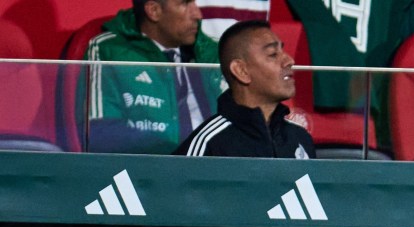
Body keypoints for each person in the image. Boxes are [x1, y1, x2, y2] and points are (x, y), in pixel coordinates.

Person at [83, 0, 223, 154]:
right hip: (150, 169)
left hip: (220, 166)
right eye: (184, 4)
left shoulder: (216, 51)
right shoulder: (109, 50)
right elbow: (102, 131)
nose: (197, 14)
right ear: (154, 10)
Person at [175, 19, 314, 158]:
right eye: (273, 54)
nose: (289, 61)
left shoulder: (301, 138)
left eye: (282, 51)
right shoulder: (208, 145)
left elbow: (307, 181)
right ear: (241, 71)